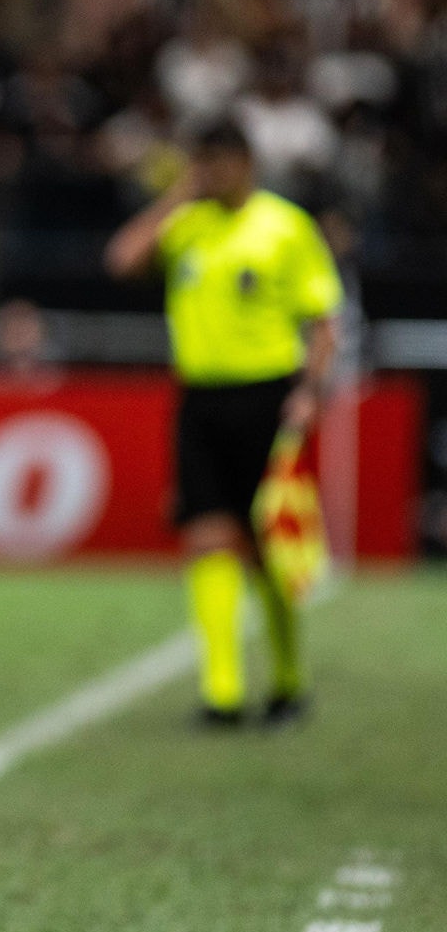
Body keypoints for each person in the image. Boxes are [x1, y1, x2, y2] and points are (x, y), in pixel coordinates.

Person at [105, 120, 342, 726]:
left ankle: (289, 683)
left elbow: (322, 322)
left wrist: (310, 393)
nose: (207, 174)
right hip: (201, 399)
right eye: (199, 164)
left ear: (244, 162)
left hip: (267, 398)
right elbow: (121, 259)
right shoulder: (187, 224)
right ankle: (224, 694)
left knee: (268, 547)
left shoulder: (285, 226)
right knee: (208, 536)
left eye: (216, 163)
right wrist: (177, 196)